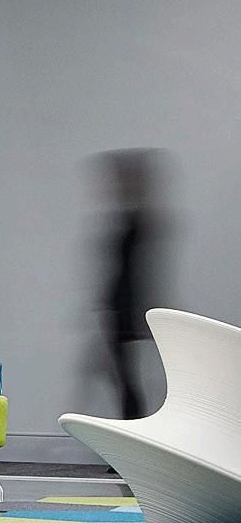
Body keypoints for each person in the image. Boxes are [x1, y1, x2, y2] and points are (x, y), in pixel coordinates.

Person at [93, 149, 173, 421]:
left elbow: (139, 272)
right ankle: (132, 433)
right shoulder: (132, 223)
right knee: (126, 382)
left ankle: (136, 434)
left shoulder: (140, 224)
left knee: (130, 383)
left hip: (129, 311)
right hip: (121, 310)